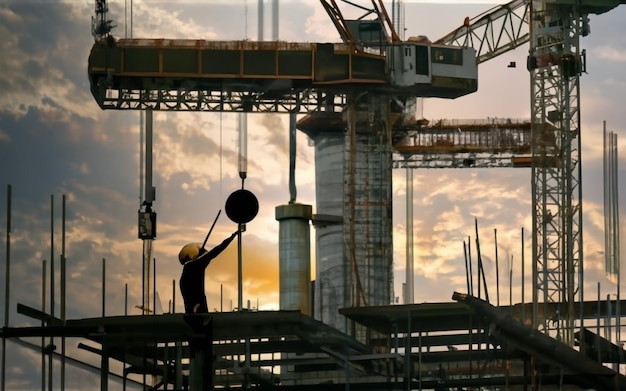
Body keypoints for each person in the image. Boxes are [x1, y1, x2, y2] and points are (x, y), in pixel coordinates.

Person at [178, 230, 238, 314]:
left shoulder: (188, 268)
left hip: (191, 302)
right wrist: (231, 238)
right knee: (200, 320)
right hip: (197, 302)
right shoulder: (196, 265)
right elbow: (216, 251)